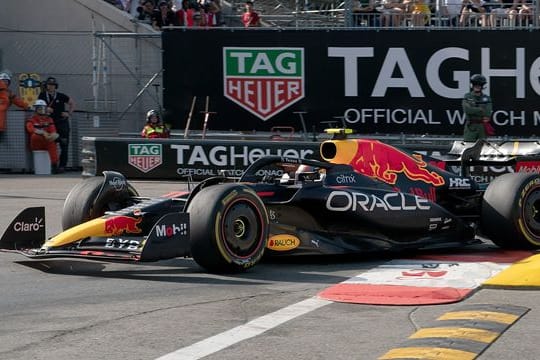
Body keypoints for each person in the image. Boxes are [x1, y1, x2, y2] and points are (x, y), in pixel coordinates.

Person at [38, 76, 75, 173]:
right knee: (51, 142)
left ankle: (62, 166)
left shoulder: (60, 96)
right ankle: (53, 165)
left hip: (62, 122)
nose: (51, 87)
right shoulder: (42, 95)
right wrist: (46, 109)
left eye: (53, 85)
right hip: (49, 122)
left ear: (56, 86)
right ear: (46, 86)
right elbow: (38, 108)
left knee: (64, 144)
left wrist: (69, 113)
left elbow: (71, 102)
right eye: (49, 85)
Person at [25, 99, 59, 173]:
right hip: (36, 144)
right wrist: (43, 133)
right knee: (35, 136)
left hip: (47, 141)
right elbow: (30, 129)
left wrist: (53, 135)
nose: (42, 110)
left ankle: (54, 164)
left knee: (52, 141)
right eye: (40, 108)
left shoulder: (49, 119)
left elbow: (53, 130)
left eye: (43, 108)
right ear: (35, 109)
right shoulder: (31, 119)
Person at [462, 74, 493, 141]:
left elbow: (487, 113)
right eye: (475, 84)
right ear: (472, 85)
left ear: (482, 86)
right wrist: (480, 109)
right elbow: (467, 110)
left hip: (482, 127)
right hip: (470, 127)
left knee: (482, 147)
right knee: (468, 147)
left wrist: (473, 108)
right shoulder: (467, 96)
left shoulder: (487, 98)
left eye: (480, 84)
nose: (477, 86)